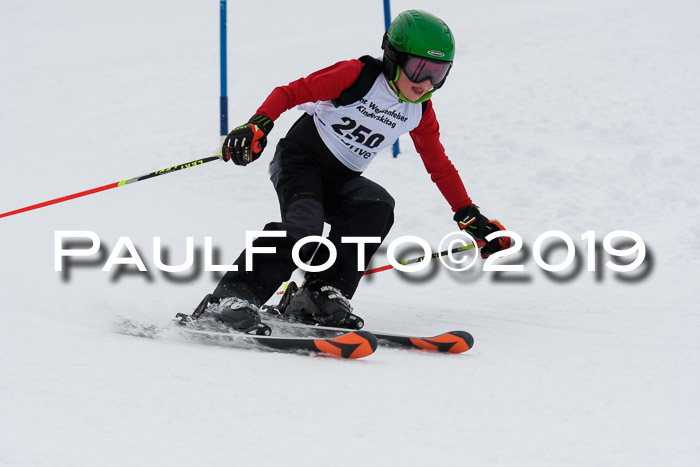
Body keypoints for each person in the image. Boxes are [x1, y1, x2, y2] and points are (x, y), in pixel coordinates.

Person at [197, 10, 510, 332]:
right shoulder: (356, 75)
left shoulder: (419, 111)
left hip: (341, 177)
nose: (427, 83)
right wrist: (257, 125)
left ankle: (318, 296)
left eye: (439, 73)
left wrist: (468, 214)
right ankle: (229, 299)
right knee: (305, 225)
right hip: (299, 160)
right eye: (419, 70)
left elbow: (439, 165)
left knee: (376, 204)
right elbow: (289, 93)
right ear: (393, 58)